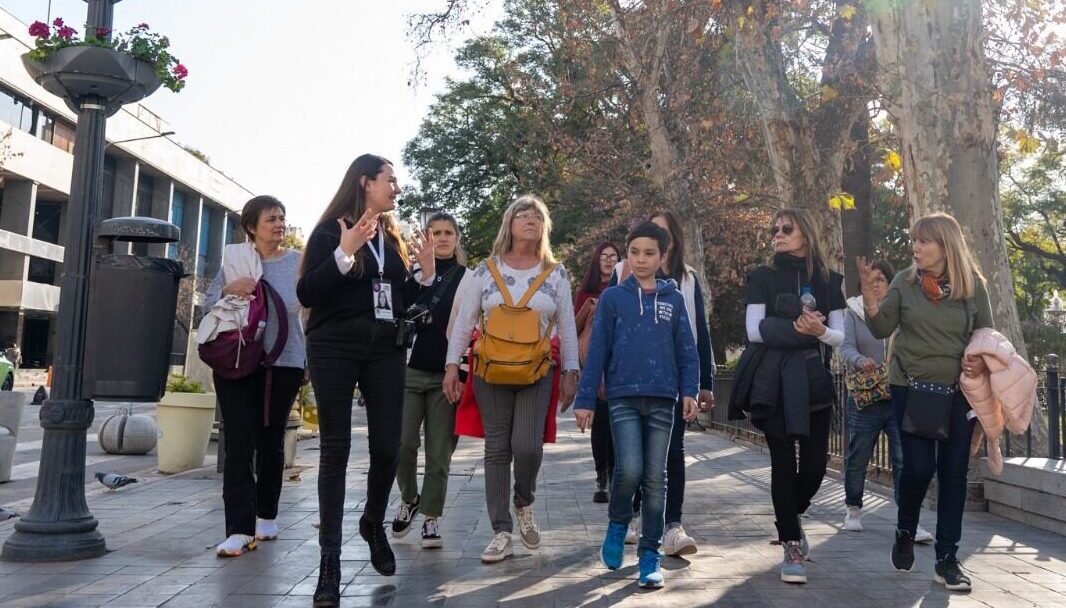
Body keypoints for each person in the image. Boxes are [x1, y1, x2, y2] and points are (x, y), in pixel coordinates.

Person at [297, 155, 436, 606]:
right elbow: (308, 293)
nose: (397, 188)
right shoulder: (328, 232)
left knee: (389, 448)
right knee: (335, 451)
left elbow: (401, 298)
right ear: (365, 182)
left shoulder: (391, 239)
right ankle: (329, 564)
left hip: (385, 350)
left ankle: (372, 521)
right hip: (334, 347)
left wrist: (426, 272)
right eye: (389, 180)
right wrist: (345, 250)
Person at [860, 213, 994, 592]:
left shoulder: (973, 286)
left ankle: (947, 560)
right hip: (911, 387)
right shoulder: (905, 281)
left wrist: (977, 357)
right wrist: (871, 304)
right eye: (914, 240)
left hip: (958, 391)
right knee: (918, 468)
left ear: (945, 245)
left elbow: (987, 335)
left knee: (953, 474)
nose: (915, 247)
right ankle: (905, 527)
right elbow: (882, 328)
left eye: (924, 241)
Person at [443, 194, 579, 564]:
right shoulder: (485, 271)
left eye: (538, 215)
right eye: (522, 213)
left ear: (544, 226)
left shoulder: (557, 273)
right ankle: (501, 530)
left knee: (528, 447)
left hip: (537, 372)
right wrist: (452, 366)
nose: (530, 219)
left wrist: (571, 371)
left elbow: (567, 326)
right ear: (510, 223)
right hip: (491, 370)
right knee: (497, 449)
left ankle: (523, 501)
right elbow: (465, 322)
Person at [574, 222, 699, 589]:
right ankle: (617, 523)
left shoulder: (673, 300)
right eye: (635, 253)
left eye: (649, 253)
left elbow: (687, 353)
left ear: (662, 257)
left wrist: (690, 389)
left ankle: (649, 555)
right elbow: (597, 352)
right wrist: (585, 400)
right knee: (628, 470)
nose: (641, 260)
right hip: (623, 397)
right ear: (626, 256)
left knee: (655, 478)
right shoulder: (613, 299)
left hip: (663, 399)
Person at [728, 208, 845, 584]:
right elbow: (754, 330)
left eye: (786, 228)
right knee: (782, 462)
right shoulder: (762, 276)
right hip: (772, 382)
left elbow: (840, 336)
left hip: (814, 381)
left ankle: (789, 517)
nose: (778, 234)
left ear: (805, 235)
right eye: (774, 228)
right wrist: (803, 328)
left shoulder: (828, 280)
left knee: (813, 466)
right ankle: (791, 544)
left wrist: (820, 333)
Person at [204, 196, 305, 558]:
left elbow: (307, 310)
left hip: (285, 361)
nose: (279, 225)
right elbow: (207, 303)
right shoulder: (235, 261)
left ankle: (266, 513)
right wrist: (230, 289)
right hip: (235, 361)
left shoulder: (298, 263)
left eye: (282, 218)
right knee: (239, 443)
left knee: (271, 439)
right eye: (271, 219)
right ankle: (238, 529)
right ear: (251, 227)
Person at [612, 209, 715, 555]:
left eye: (662, 234)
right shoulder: (621, 275)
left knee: (671, 453)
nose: (653, 241)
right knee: (634, 458)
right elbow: (611, 331)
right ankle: (633, 516)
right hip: (629, 385)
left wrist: (703, 382)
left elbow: (698, 335)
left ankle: (672, 525)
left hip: (671, 386)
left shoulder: (688, 280)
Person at [391, 212, 472, 548]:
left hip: (446, 375)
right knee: (402, 444)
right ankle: (409, 499)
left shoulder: (469, 278)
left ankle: (431, 517)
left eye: (447, 232)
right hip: (409, 371)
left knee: (439, 452)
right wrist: (421, 274)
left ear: (457, 238)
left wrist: (463, 374)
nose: (441, 238)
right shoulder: (411, 275)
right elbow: (396, 309)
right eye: (435, 232)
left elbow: (471, 330)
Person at [840, 260, 934, 544]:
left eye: (882, 279)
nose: (877, 284)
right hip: (866, 397)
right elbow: (845, 346)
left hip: (898, 395)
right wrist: (860, 360)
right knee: (858, 456)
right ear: (862, 286)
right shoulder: (854, 312)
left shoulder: (901, 310)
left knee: (904, 459)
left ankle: (909, 521)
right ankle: (853, 509)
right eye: (871, 280)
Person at [574, 241, 621, 503]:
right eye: (603, 256)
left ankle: (615, 475)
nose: (608, 260)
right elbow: (574, 325)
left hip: (619, 363)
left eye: (613, 256)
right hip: (594, 363)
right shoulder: (586, 291)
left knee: (617, 421)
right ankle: (601, 475)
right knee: (600, 422)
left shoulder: (626, 286)